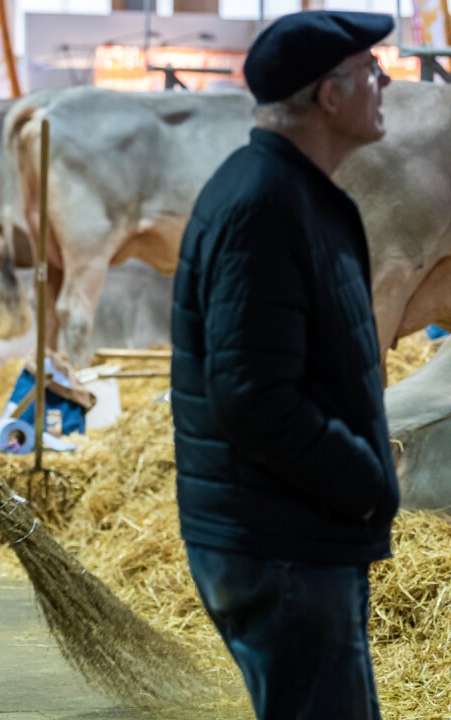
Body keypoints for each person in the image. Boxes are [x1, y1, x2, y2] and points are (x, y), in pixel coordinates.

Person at [170, 12, 399, 720]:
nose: (385, 82)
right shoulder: (266, 205)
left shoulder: (288, 189)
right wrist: (361, 479)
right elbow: (253, 395)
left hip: (285, 530)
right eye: (370, 72)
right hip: (283, 542)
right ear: (329, 96)